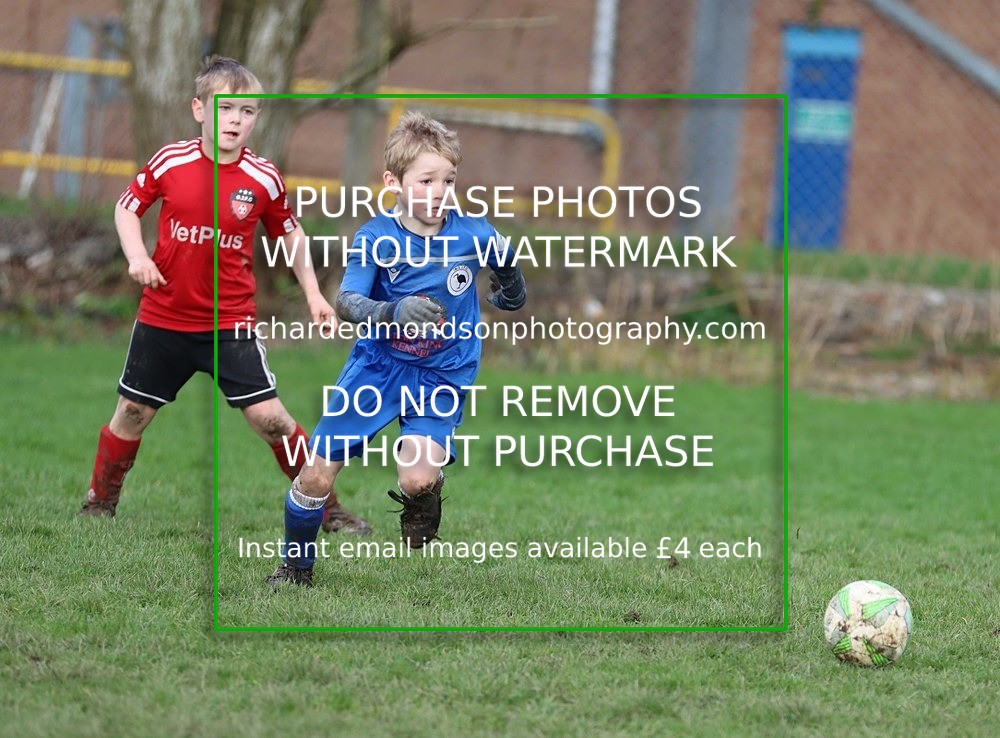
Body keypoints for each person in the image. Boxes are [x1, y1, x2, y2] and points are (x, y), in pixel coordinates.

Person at [79, 55, 369, 535]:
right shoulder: (171, 162)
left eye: (248, 111)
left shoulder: (263, 178)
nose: (235, 119)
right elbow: (127, 208)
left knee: (272, 419)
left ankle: (328, 507)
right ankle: (99, 503)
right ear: (199, 109)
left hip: (230, 323)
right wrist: (137, 257)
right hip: (164, 318)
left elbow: (292, 237)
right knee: (131, 413)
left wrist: (315, 295)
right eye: (226, 108)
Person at [267, 110, 527, 587]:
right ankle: (294, 569)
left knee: (417, 479)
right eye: (426, 180)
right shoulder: (376, 237)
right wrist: (393, 312)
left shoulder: (472, 232)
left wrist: (512, 287)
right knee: (317, 476)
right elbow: (347, 301)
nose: (440, 192)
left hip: (443, 370)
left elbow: (504, 256)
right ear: (394, 182)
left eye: (448, 180)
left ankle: (426, 496)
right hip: (379, 366)